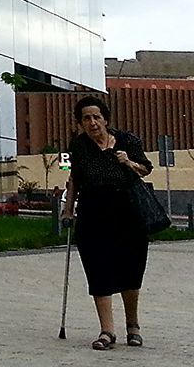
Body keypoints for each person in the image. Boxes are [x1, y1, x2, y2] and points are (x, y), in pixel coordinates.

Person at [59, 95, 154, 350]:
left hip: (128, 211)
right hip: (93, 213)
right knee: (98, 269)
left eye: (96, 117)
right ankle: (107, 331)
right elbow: (75, 179)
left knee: (131, 270)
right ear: (80, 123)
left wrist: (128, 161)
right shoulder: (79, 146)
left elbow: (146, 168)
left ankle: (132, 326)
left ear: (106, 119)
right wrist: (68, 210)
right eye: (86, 118)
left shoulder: (128, 140)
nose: (92, 123)